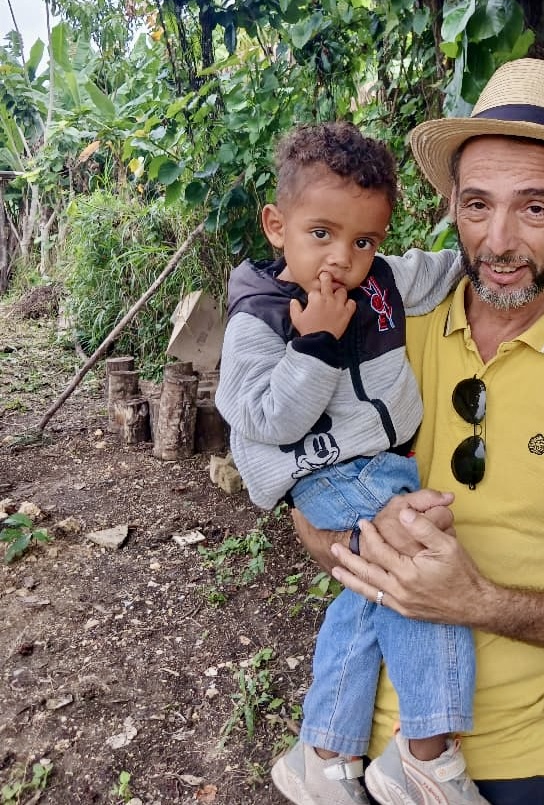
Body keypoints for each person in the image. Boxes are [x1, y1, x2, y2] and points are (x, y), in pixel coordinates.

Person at [291, 59, 544, 805]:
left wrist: (477, 600)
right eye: (477, 205)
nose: (498, 240)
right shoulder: (384, 330)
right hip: (349, 754)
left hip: (522, 767)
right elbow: (302, 503)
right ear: (451, 203)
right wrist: (363, 539)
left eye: (534, 208)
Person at [214, 122, 490, 805]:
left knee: (366, 591)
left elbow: (447, 263)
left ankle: (325, 753)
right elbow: (261, 417)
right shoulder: (263, 315)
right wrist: (314, 346)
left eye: (363, 240)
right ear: (276, 225)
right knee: (419, 565)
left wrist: (478, 225)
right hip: (326, 473)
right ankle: (426, 755)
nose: (342, 258)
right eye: (321, 234)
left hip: (377, 467)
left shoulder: (384, 282)